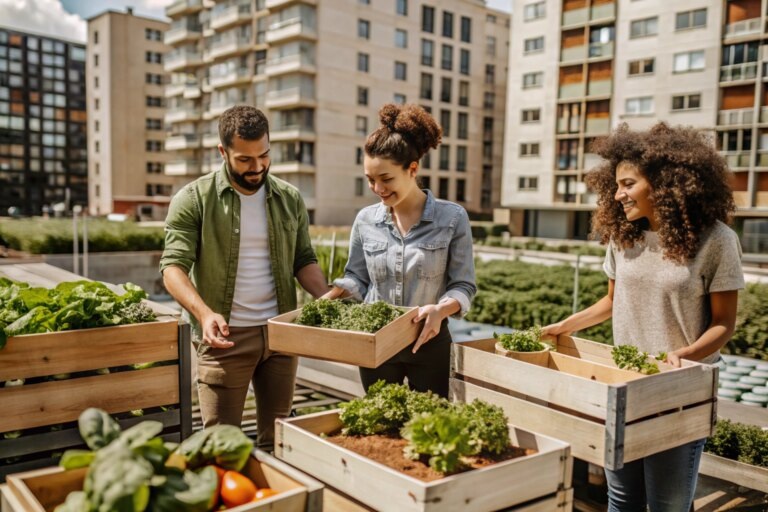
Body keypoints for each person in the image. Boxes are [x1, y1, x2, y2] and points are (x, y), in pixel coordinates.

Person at [542, 122, 744, 512]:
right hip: (625, 383)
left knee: (667, 505)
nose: (618, 194)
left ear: (665, 184)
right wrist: (566, 326)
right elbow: (612, 301)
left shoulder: (716, 240)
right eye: (616, 185)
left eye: (628, 184)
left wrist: (682, 356)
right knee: (622, 500)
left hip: (679, 390)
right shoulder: (624, 237)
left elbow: (724, 323)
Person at [160, 105, 328, 449]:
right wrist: (204, 314)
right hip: (224, 339)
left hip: (281, 336)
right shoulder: (193, 199)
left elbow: (303, 259)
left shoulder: (289, 198)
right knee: (223, 446)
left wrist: (327, 298)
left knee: (279, 443)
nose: (257, 167)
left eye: (264, 156)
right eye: (245, 159)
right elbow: (172, 267)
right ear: (223, 152)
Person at [323, 104, 476, 398]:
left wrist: (441, 310)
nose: (377, 188)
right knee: (380, 420)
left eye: (386, 178)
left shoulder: (453, 218)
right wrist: (334, 294)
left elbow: (463, 285)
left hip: (429, 342)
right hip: (375, 341)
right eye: (370, 179)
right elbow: (357, 277)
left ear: (412, 169)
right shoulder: (365, 220)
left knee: (430, 423)